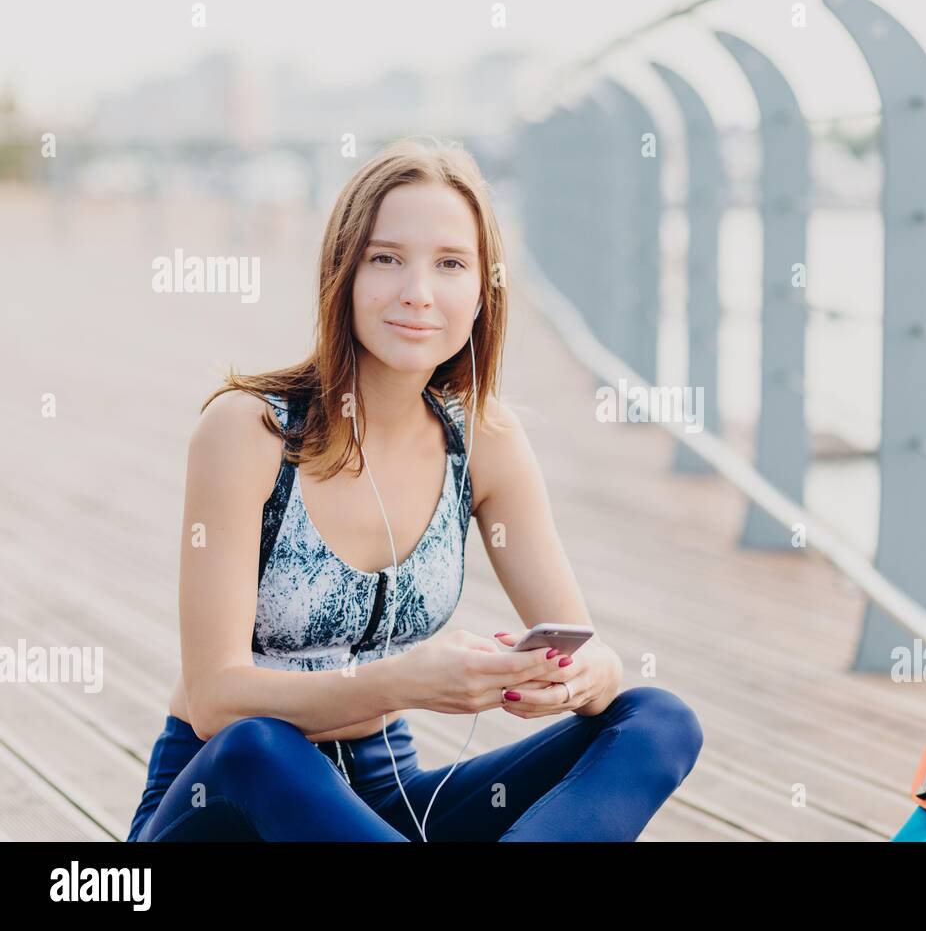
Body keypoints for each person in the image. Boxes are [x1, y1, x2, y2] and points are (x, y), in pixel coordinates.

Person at [127, 137, 704, 842]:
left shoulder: (483, 442)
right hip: (229, 803)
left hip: (389, 800)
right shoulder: (248, 431)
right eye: (386, 258)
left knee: (657, 719)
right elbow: (218, 701)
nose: (417, 292)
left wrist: (583, 676)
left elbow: (587, 650)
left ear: (483, 288)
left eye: (451, 264)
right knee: (260, 744)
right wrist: (405, 682)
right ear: (343, 271)